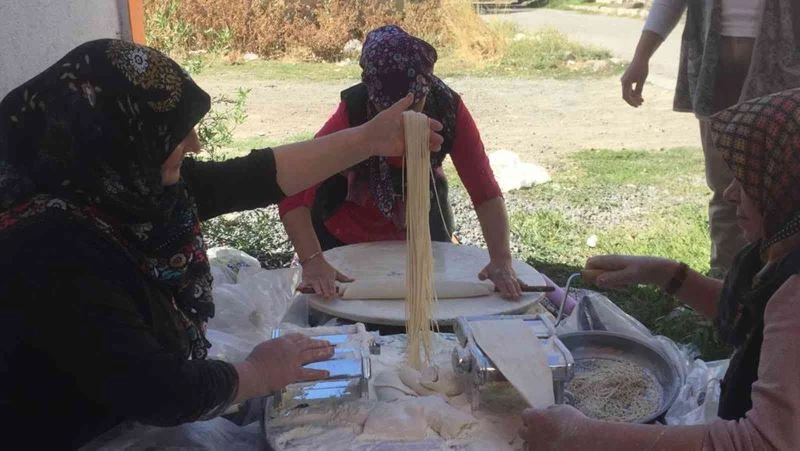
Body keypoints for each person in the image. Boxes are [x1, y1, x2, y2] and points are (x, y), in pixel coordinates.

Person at [0, 39, 443, 449]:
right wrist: (258, 373)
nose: (194, 144)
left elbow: (250, 177)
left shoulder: (116, 186)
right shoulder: (52, 249)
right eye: (176, 134)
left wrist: (368, 140)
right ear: (113, 133)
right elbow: (158, 389)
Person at [520, 89, 800, 449]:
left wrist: (580, 436)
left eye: (747, 182)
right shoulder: (783, 249)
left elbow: (762, 443)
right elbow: (749, 317)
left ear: (787, 187)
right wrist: (664, 273)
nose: (731, 193)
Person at [278, 25, 523, 299]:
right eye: (390, 110)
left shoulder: (448, 110)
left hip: (422, 230)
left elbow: (484, 189)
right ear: (372, 95)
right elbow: (293, 189)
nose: (403, 120)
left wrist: (501, 260)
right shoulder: (353, 112)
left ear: (427, 88)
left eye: (414, 106)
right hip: (347, 235)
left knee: (427, 305)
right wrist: (313, 260)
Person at [620, 0, 800, 276]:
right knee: (726, 189)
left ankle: (780, 280)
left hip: (782, 63)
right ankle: (726, 281)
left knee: (786, 188)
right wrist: (641, 57)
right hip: (716, 64)